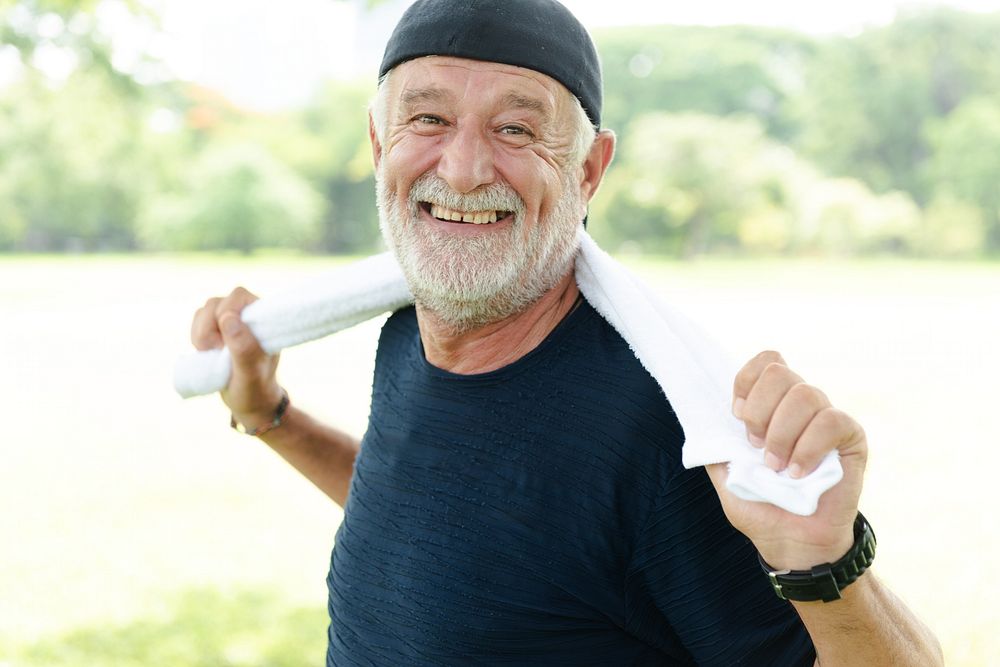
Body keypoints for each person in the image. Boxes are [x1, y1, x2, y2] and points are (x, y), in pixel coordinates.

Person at [189, 1, 943, 664]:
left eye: (516, 128)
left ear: (589, 170)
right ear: (380, 144)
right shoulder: (404, 336)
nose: (461, 169)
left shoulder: (662, 435)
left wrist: (827, 569)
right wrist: (270, 416)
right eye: (428, 118)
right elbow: (439, 522)